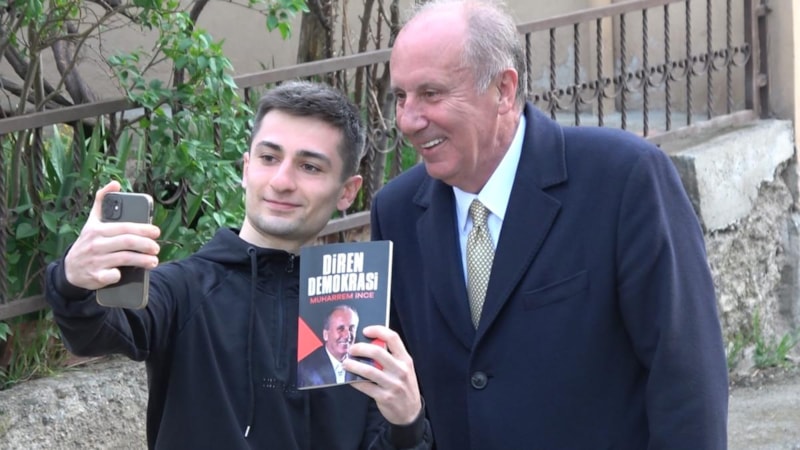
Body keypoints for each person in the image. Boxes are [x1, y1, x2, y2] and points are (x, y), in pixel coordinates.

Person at [370, 0, 729, 448]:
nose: (408, 120)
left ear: (503, 89)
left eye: (431, 93)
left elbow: (687, 379)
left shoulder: (623, 179)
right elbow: (395, 399)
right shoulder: (396, 212)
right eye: (400, 97)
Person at [45, 81, 431, 450]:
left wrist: (408, 422)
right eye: (269, 158)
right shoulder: (184, 290)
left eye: (310, 167)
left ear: (347, 191)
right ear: (246, 169)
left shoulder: (360, 309)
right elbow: (95, 330)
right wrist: (73, 280)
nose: (282, 181)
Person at [298, 305, 360, 387]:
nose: (347, 335)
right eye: (340, 329)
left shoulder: (364, 363)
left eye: (351, 329)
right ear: (326, 335)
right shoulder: (305, 369)